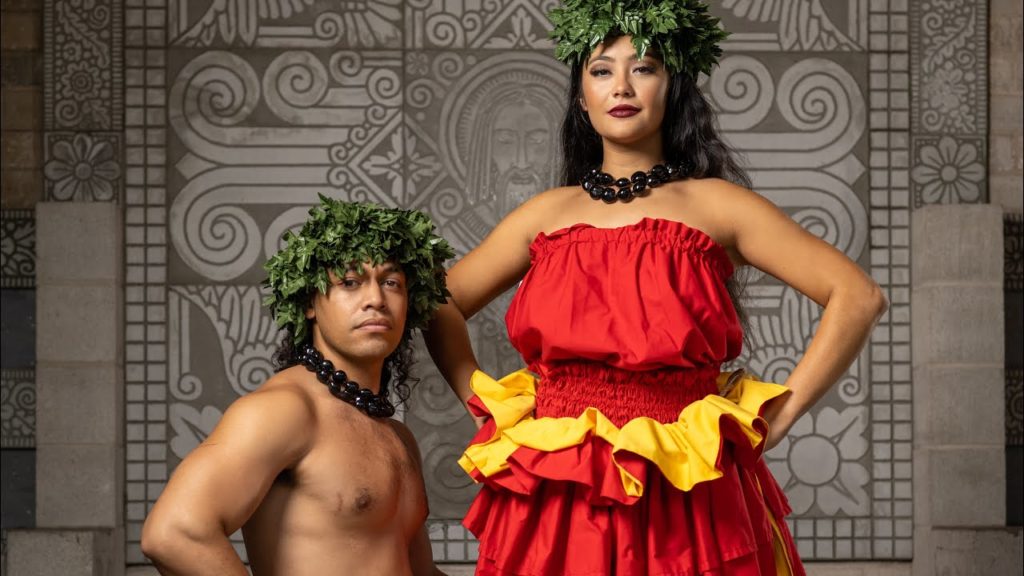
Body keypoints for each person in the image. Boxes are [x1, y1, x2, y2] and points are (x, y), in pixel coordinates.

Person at [424, 1, 887, 574]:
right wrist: (481, 400)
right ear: (579, 95)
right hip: (562, 482)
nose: (621, 85)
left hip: (684, 479)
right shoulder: (544, 215)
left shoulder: (718, 205)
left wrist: (782, 414)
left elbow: (858, 295)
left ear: (674, 87)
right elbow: (435, 300)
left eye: (643, 67)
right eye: (601, 70)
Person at [141, 196, 454, 576]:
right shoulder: (286, 409)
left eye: (391, 283)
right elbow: (174, 533)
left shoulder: (398, 438)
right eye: (350, 282)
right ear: (310, 302)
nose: (375, 299)